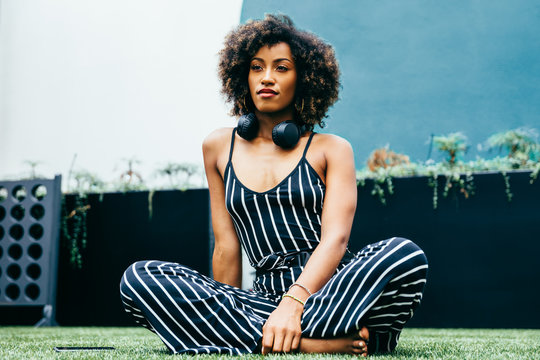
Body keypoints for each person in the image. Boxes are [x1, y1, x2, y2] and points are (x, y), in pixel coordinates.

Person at [120, 14, 428, 356]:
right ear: (242, 76)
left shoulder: (331, 149)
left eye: (281, 68)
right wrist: (225, 308)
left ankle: (274, 336)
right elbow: (226, 247)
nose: (266, 77)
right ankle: (316, 345)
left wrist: (293, 304)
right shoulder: (218, 147)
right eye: (256, 67)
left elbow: (336, 241)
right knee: (138, 279)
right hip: (261, 302)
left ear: (304, 79)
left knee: (405, 254)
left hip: (334, 294)